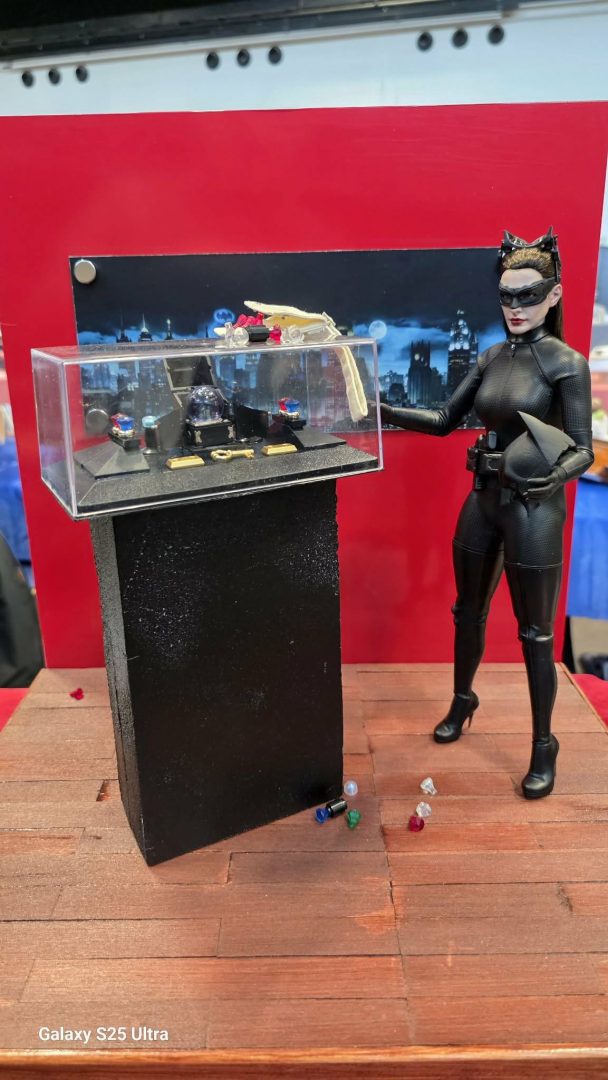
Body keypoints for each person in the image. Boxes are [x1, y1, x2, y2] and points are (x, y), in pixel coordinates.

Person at [379, 229, 593, 798]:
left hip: (533, 505)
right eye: (507, 296)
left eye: (528, 295)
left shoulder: (566, 363)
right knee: (466, 611)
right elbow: (444, 419)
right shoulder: (493, 356)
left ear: (553, 295)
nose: (516, 307)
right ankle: (463, 700)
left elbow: (583, 448)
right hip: (484, 498)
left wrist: (553, 476)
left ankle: (544, 743)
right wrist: (383, 410)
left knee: (535, 633)